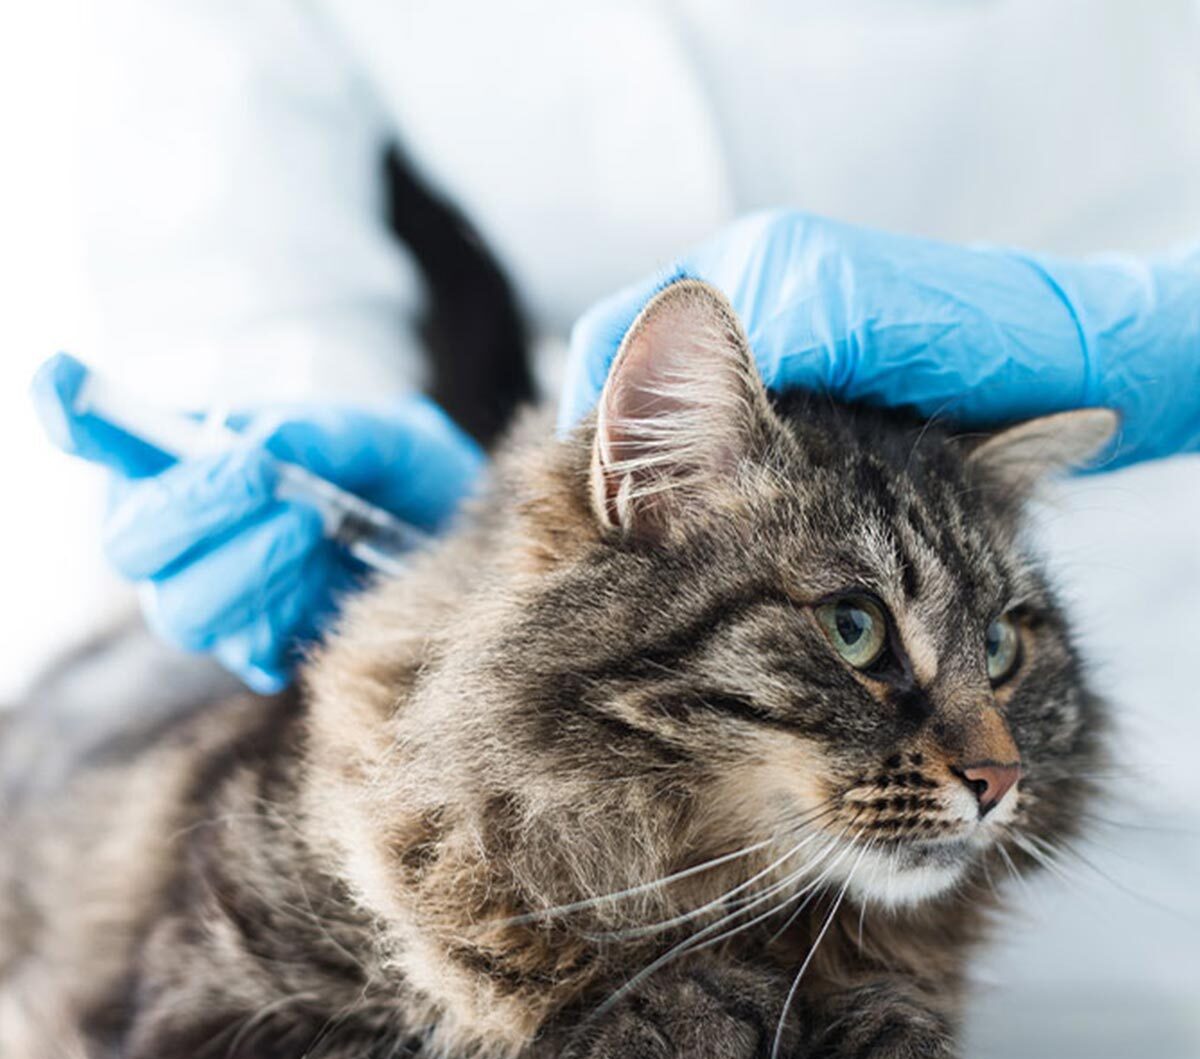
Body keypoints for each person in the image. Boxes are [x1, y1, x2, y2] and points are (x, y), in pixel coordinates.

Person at [38, 1, 1200, 692]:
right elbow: (233, 253)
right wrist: (285, 420)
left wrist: (1162, 336)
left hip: (1136, 564)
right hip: (644, 576)